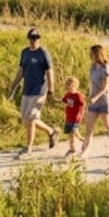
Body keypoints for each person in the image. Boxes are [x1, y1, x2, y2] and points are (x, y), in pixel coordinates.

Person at [9, 28, 57, 158]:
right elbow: (21, 71)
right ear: (28, 39)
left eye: (36, 38)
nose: (33, 41)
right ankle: (51, 131)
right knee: (26, 119)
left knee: (30, 119)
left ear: (39, 39)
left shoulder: (43, 53)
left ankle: (28, 148)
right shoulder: (25, 52)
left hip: (39, 90)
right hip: (27, 90)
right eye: (31, 38)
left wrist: (50, 90)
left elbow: (49, 72)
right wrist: (14, 84)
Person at [78, 44, 109, 158]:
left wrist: (95, 97)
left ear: (97, 54)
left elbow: (106, 87)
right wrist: (87, 96)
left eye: (92, 53)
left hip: (104, 99)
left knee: (108, 126)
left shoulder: (106, 67)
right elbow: (92, 84)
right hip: (93, 100)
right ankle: (85, 151)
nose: (90, 55)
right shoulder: (92, 67)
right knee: (89, 127)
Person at [60, 76, 85, 158]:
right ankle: (72, 149)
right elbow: (63, 100)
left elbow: (83, 104)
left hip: (76, 117)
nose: (68, 87)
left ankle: (81, 138)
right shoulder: (67, 95)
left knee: (74, 130)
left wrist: (81, 114)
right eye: (67, 85)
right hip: (69, 117)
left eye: (70, 85)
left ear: (75, 85)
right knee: (70, 134)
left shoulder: (78, 95)